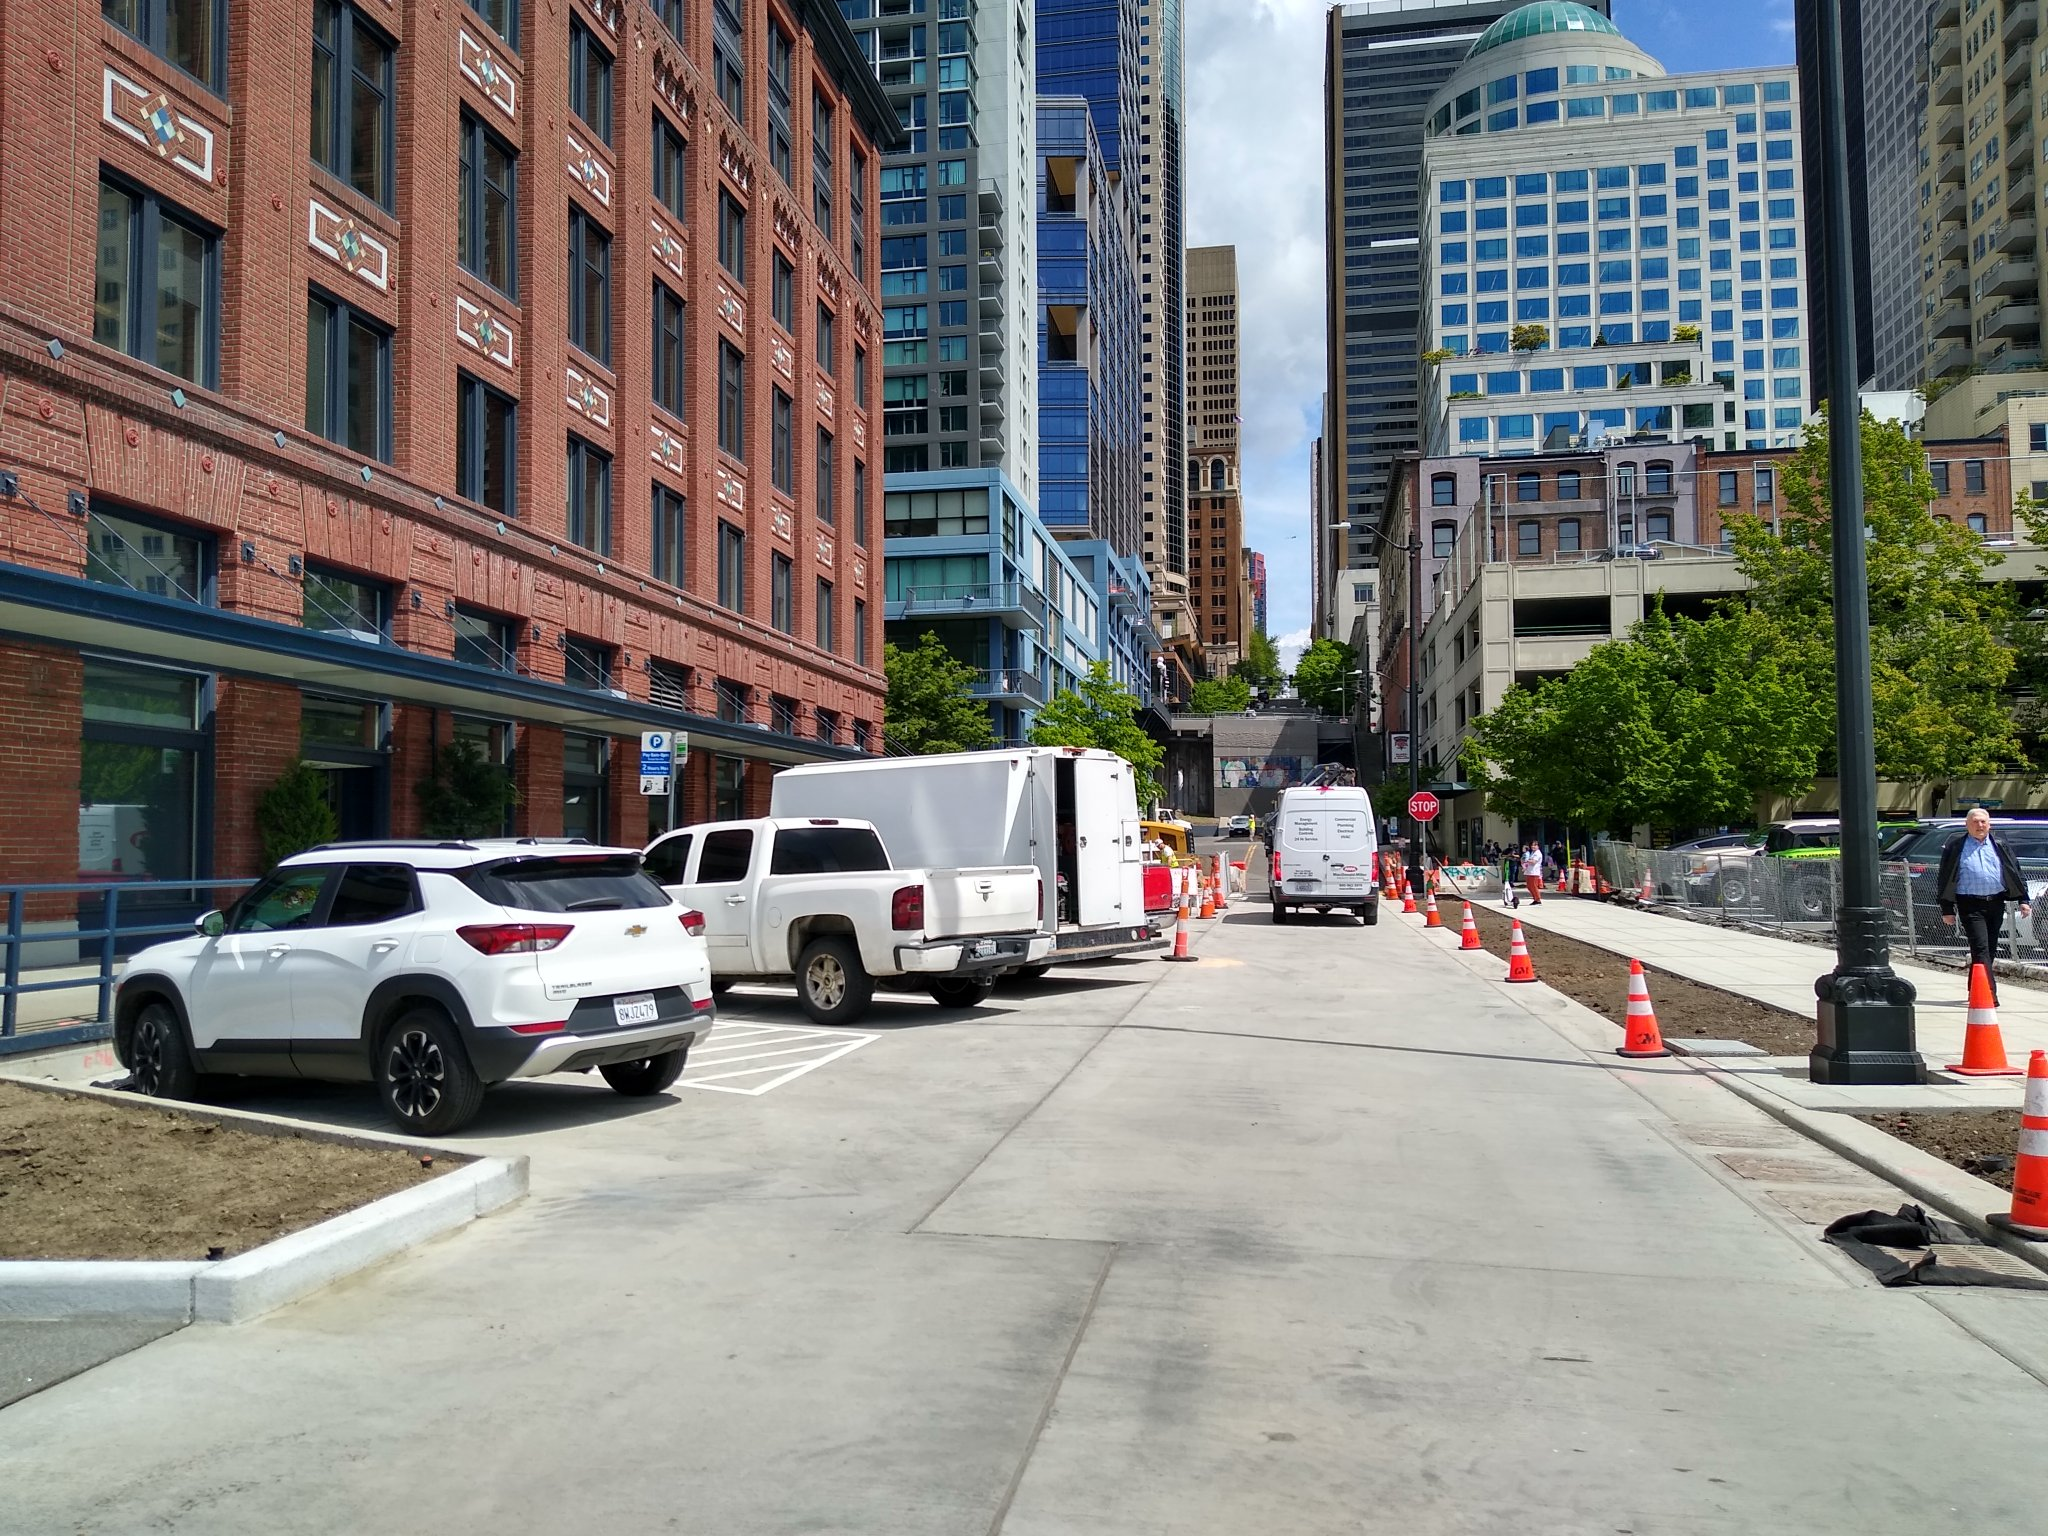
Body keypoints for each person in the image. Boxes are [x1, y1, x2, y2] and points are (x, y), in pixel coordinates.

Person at [1937, 809, 2032, 1002]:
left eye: (1983, 822)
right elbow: (1944, 878)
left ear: (1989, 824)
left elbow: (2015, 871)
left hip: (1996, 902)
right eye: (1975, 822)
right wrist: (1947, 909)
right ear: (1967, 825)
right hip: (1969, 904)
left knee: (1988, 950)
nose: (1979, 826)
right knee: (1980, 948)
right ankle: (1989, 995)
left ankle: (1975, 988)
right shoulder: (1956, 847)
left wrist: (2024, 900)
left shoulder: (1999, 845)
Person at [1521, 841, 1546, 905]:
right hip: (1529, 871)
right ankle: (1535, 898)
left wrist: (1526, 860)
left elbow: (1534, 862)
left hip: (1534, 872)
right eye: (1532, 845)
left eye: (1535, 845)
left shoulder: (1538, 853)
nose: (1533, 846)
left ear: (1538, 846)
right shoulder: (1532, 853)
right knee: (1529, 886)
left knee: (1534, 886)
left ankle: (1538, 899)